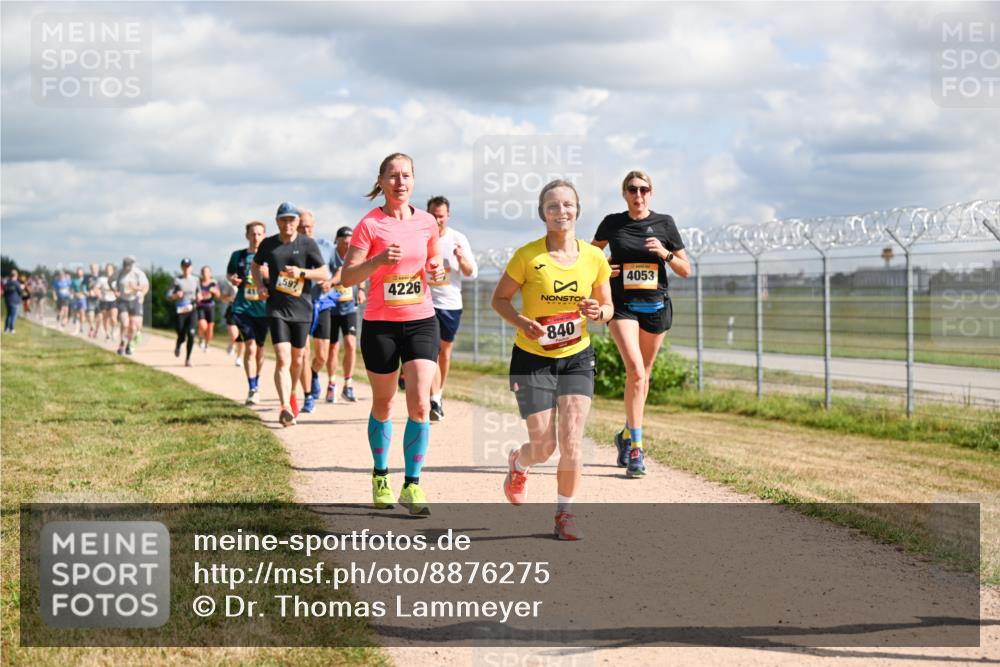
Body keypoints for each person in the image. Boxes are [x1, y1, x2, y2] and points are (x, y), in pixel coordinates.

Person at [491, 179, 613, 540]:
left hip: (577, 356)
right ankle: (519, 463)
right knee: (544, 447)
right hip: (533, 359)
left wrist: (599, 311)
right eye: (553, 206)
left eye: (567, 204)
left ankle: (564, 515)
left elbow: (607, 307)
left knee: (572, 439)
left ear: (578, 210)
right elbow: (499, 299)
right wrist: (521, 322)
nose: (561, 211)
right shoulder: (528, 257)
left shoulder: (594, 257)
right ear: (543, 213)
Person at [340, 152, 445, 515]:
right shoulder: (369, 225)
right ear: (381, 181)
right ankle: (381, 476)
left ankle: (412, 485)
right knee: (384, 403)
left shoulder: (427, 222)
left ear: (414, 180)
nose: (400, 182)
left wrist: (436, 270)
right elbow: (347, 277)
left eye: (406, 175)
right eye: (394, 176)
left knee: (420, 403)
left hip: (421, 319)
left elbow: (434, 265)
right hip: (380, 324)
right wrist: (377, 261)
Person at [592, 170, 690, 478]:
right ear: (624, 193)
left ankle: (625, 434)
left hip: (656, 307)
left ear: (651, 193)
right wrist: (604, 268)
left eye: (644, 189)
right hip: (622, 306)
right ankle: (636, 448)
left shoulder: (665, 223)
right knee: (635, 371)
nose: (638, 194)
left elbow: (686, 269)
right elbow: (590, 258)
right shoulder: (613, 223)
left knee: (643, 376)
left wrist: (665, 254)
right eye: (633, 189)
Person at [251, 203, 328, 426]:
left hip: (302, 310)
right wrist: (260, 286)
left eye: (291, 220)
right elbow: (255, 266)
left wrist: (301, 272)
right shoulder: (268, 244)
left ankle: (292, 392)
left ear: (297, 221)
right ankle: (285, 406)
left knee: (298, 360)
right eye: (283, 220)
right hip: (277, 309)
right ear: (277, 222)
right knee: (283, 357)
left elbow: (323, 273)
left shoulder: (307, 244)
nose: (288, 224)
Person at [425, 195, 478, 421]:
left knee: (444, 351)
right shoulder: (421, 236)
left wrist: (461, 258)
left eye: (441, 216)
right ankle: (433, 399)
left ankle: (438, 393)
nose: (437, 220)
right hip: (425, 302)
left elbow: (471, 273)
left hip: (450, 304)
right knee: (431, 350)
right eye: (433, 216)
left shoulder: (458, 239)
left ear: (448, 216)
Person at [296, 209, 339, 413]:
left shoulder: (327, 246)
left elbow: (339, 268)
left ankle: (313, 373)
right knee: (304, 352)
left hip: (322, 304)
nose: (305, 230)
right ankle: (308, 396)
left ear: (313, 226)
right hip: (299, 305)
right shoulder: (291, 248)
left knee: (322, 355)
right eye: (301, 227)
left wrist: (330, 282)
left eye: (308, 226)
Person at [227, 221, 269, 405]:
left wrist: (267, 275)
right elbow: (230, 274)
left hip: (264, 310)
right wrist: (233, 280)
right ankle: (252, 387)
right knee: (250, 346)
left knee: (259, 349)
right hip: (242, 308)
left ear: (264, 236)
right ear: (247, 236)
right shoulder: (238, 255)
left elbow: (279, 279)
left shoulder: (269, 256)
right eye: (253, 234)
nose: (256, 237)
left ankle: (256, 382)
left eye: (259, 234)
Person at [325, 226, 365, 403]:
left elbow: (361, 272)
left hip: (349, 308)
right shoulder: (330, 256)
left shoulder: (354, 255)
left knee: (350, 344)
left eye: (350, 242)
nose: (348, 245)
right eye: (344, 242)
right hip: (331, 309)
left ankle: (348, 384)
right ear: (337, 241)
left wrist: (361, 290)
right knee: (332, 347)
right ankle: (331, 384)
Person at [115, 256, 149, 356]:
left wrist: (141, 293)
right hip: (123, 301)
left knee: (134, 326)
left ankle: (129, 344)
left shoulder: (139, 273)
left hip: (135, 301)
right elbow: (111, 282)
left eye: (129, 265)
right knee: (125, 324)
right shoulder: (119, 273)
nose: (127, 267)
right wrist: (115, 291)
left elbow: (145, 286)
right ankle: (122, 342)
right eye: (126, 265)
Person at [170, 258, 199, 367]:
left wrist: (199, 296)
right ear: (182, 268)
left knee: (191, 333)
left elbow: (199, 293)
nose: (186, 268)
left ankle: (188, 359)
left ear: (191, 267)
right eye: (184, 266)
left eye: (188, 266)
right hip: (180, 310)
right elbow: (168, 295)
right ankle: (178, 344)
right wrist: (175, 295)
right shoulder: (177, 280)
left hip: (192, 309)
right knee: (181, 334)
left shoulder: (196, 280)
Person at [195, 266, 222, 351]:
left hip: (210, 307)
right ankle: (201, 338)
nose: (205, 274)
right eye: (203, 272)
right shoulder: (198, 283)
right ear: (201, 273)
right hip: (201, 306)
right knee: (203, 325)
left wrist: (215, 291)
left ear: (210, 273)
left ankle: (207, 344)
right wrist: (197, 297)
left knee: (210, 328)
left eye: (207, 272)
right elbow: (195, 294)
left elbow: (219, 296)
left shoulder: (214, 283)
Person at [96, 263, 119, 340]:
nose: (108, 271)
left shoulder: (116, 280)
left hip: (113, 301)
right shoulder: (101, 279)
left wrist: (117, 293)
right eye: (107, 269)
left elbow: (119, 291)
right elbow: (96, 288)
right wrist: (98, 294)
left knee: (113, 318)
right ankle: (107, 333)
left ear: (113, 270)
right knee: (105, 319)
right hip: (104, 301)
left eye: (110, 269)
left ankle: (113, 330)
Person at [3, 269, 24, 333]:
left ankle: (6, 328)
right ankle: (12, 328)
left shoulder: (7, 283)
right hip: (14, 301)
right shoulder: (16, 283)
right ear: (16, 275)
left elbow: (4, 292)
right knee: (13, 315)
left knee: (8, 315)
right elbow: (20, 292)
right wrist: (22, 288)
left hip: (7, 301)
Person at [70, 267, 88, 334]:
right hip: (76, 298)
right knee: (76, 314)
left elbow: (87, 289)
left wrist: (83, 293)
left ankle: (81, 327)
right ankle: (76, 329)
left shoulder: (85, 280)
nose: (79, 273)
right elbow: (71, 289)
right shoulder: (74, 280)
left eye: (80, 272)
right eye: (78, 272)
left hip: (83, 298)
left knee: (82, 313)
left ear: (83, 272)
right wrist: (73, 294)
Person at [85, 263, 101, 338]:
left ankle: (96, 331)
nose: (94, 270)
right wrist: (87, 293)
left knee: (100, 317)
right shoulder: (87, 278)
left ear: (98, 269)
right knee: (90, 314)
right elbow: (83, 287)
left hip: (99, 300)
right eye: (92, 268)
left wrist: (99, 293)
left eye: (95, 268)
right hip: (90, 299)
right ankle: (92, 327)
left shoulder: (101, 278)